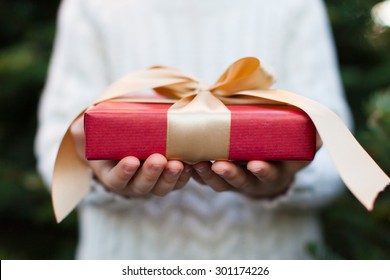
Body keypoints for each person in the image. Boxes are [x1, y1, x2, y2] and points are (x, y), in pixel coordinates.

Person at [35, 0, 352, 259]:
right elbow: (58, 146)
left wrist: (286, 181)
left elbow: (335, 149)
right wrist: (97, 175)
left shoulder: (296, 6)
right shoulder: (91, 6)